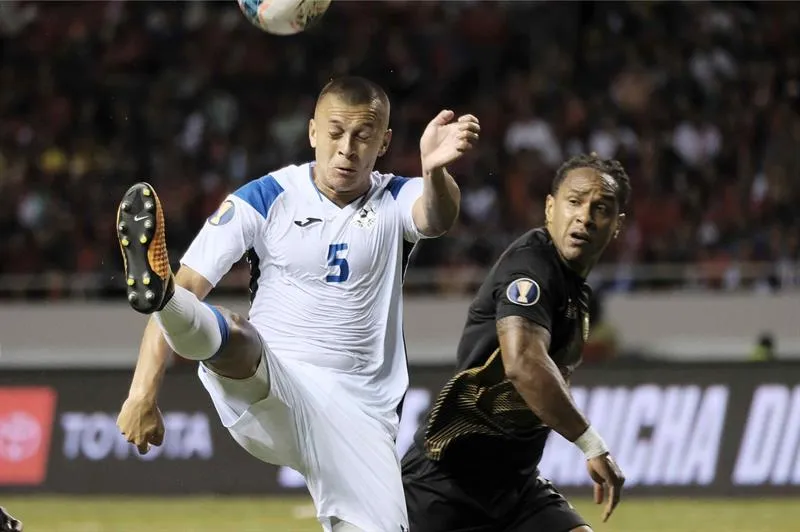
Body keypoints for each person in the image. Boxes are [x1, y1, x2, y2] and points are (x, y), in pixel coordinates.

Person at [114, 76, 480, 532]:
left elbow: (436, 216)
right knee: (234, 334)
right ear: (311, 133)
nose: (347, 148)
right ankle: (161, 296)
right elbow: (190, 284)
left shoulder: (395, 196)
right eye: (334, 133)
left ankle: (167, 300)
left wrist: (434, 171)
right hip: (274, 387)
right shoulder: (266, 198)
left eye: (362, 136)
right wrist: (142, 394)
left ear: (383, 142)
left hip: (359, 413)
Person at [402, 153, 629, 532]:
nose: (585, 217)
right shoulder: (531, 268)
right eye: (574, 202)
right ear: (550, 207)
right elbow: (523, 362)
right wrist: (591, 443)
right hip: (446, 486)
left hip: (515, 487)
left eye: (601, 208)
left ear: (617, 226)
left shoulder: (576, 291)